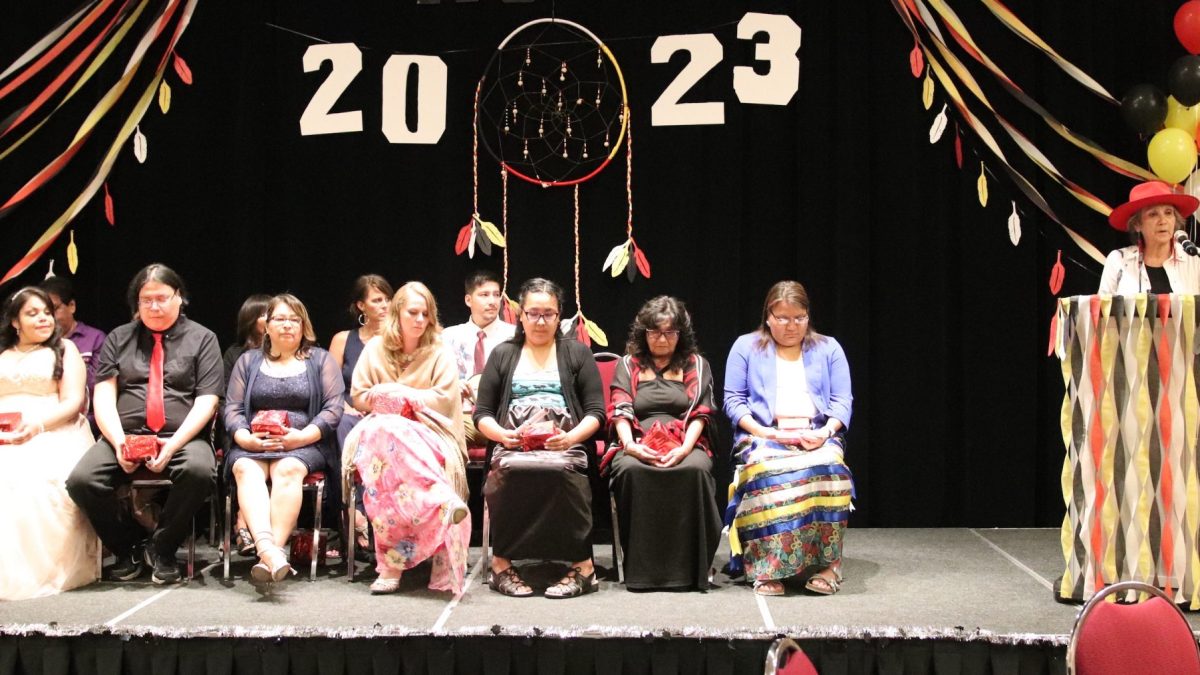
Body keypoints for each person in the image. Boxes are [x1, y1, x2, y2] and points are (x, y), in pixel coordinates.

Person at [66, 263, 222, 585]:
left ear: (179, 297)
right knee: (82, 481)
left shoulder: (203, 338)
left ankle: (162, 548)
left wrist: (173, 445)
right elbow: (103, 396)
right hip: (125, 434)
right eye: (146, 300)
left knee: (198, 471)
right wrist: (118, 442)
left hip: (182, 436)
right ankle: (130, 548)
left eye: (162, 298)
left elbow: (207, 401)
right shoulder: (119, 338)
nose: (154, 306)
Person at [474, 278, 605, 599]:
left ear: (559, 316)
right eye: (533, 313)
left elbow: (596, 413)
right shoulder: (503, 354)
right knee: (508, 470)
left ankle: (584, 567)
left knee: (563, 470)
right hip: (512, 443)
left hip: (565, 442)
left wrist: (570, 437)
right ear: (521, 315)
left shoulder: (577, 353)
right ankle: (501, 565)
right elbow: (483, 414)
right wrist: (502, 435)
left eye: (548, 314)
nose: (540, 321)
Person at [723, 281, 853, 596]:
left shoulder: (829, 348)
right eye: (782, 318)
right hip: (764, 435)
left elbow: (842, 401)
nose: (791, 326)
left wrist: (824, 432)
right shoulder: (746, 346)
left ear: (808, 317)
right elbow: (733, 401)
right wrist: (767, 432)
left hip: (816, 433)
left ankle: (829, 565)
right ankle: (767, 567)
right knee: (769, 472)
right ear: (768, 317)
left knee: (832, 471)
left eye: (799, 318)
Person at [343, 282, 469, 595]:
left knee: (391, 447)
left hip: (431, 431)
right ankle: (439, 501)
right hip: (380, 434)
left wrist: (402, 393)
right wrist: (385, 397)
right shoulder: (375, 348)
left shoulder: (439, 350)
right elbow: (359, 396)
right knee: (386, 437)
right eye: (413, 312)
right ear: (397, 313)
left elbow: (445, 400)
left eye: (425, 314)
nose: (420, 319)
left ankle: (393, 566)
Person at [604, 296, 721, 591]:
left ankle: (693, 568)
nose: (662, 338)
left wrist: (684, 449)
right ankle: (641, 570)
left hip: (685, 439)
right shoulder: (628, 364)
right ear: (643, 333)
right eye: (655, 332)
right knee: (631, 470)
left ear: (681, 334)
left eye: (670, 332)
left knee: (695, 469)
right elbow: (620, 409)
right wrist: (630, 446)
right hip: (637, 439)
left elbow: (701, 413)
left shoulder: (696, 364)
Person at [224, 294, 343, 582]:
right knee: (245, 469)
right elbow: (232, 408)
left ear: (304, 325)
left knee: (288, 469)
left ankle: (269, 554)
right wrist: (245, 438)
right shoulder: (248, 361)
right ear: (266, 326)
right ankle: (271, 553)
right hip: (254, 443)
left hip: (304, 444)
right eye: (279, 319)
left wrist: (300, 438)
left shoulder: (320, 360)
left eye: (294, 319)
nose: (287, 325)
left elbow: (333, 409)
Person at [0, 287, 98, 600]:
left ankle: (31, 573)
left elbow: (72, 402)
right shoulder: (3, 352)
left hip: (53, 429)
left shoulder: (65, 349)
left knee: (25, 481)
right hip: (4, 431)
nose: (43, 318)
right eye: (32, 313)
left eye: (47, 312)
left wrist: (37, 427)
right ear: (15, 321)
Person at [329, 275, 393, 555]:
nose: (385, 305)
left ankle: (368, 514)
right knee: (342, 424)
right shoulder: (343, 340)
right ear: (361, 306)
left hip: (384, 414)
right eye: (377, 300)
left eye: (388, 299)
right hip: (348, 411)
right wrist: (345, 406)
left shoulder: (397, 339)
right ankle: (353, 510)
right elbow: (330, 387)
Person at [220, 293, 271, 557]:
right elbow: (226, 400)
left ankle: (248, 524)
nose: (272, 319)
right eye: (265, 314)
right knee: (245, 458)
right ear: (251, 320)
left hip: (279, 428)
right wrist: (242, 429)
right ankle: (243, 521)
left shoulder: (291, 353)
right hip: (241, 426)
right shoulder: (235, 354)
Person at [441, 270, 515, 446]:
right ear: (468, 300)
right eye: (484, 295)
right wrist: (452, 387)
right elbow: (436, 380)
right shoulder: (448, 337)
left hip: (501, 415)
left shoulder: (514, 337)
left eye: (496, 295)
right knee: (439, 438)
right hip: (460, 415)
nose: (492, 301)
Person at [1099, 180, 1200, 295]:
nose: (1163, 221)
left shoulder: (1195, 258)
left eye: (1168, 213)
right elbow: (1101, 305)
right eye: (1153, 214)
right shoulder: (1118, 260)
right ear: (1137, 224)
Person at [41, 275, 106, 422]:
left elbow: (98, 386)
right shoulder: (36, 343)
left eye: (54, 309)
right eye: (44, 311)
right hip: (43, 418)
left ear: (71, 306)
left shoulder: (95, 338)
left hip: (87, 420)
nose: (48, 317)